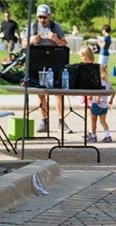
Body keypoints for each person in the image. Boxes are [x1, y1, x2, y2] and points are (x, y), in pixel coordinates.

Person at [29, 4, 70, 134]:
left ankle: (61, 121)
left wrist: (55, 39)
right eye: (40, 17)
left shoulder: (55, 27)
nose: (42, 20)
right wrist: (31, 40)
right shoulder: (33, 27)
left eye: (44, 17)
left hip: (54, 61)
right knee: (41, 92)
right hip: (38, 61)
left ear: (49, 16)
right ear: (36, 16)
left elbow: (64, 43)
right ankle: (44, 121)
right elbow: (23, 44)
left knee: (58, 92)